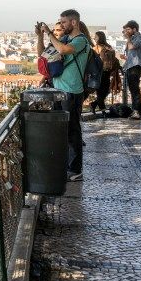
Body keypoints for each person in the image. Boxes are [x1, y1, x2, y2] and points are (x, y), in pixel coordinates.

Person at [39, 9, 90, 182]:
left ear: (74, 22)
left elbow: (62, 49)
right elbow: (43, 54)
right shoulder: (65, 39)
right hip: (59, 90)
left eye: (64, 22)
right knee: (62, 131)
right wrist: (40, 36)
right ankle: (65, 165)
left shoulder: (81, 40)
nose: (61, 25)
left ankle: (75, 170)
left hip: (72, 91)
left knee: (72, 131)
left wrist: (50, 33)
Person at [121, 20, 141, 120]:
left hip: (136, 66)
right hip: (130, 66)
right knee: (132, 90)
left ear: (134, 29)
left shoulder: (140, 38)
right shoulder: (132, 39)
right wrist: (124, 58)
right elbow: (131, 55)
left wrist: (128, 38)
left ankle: (138, 112)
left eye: (128, 29)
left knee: (135, 90)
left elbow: (132, 47)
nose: (126, 31)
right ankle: (136, 111)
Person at [89, 31, 118, 114]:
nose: (94, 38)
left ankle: (94, 105)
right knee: (102, 91)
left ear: (100, 37)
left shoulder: (97, 48)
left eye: (96, 37)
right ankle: (103, 111)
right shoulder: (107, 47)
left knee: (105, 91)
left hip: (103, 71)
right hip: (103, 71)